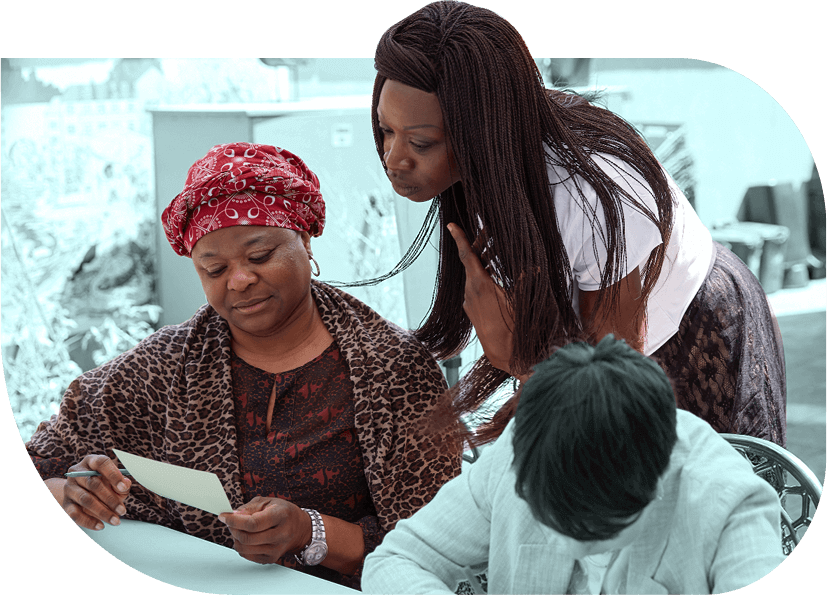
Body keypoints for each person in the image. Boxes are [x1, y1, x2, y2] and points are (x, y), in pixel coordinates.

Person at [25, 142, 462, 589]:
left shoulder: (393, 368)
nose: (239, 280)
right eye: (214, 270)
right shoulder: (162, 368)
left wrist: (310, 532)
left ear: (305, 240)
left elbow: (443, 545)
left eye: (259, 257)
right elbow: (45, 459)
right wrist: (72, 492)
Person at [370, 0, 786, 446]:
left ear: (480, 131)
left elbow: (609, 381)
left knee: (686, 498)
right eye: (386, 131)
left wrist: (520, 361)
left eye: (421, 142)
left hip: (689, 334)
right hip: (603, 348)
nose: (394, 159)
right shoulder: (499, 151)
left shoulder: (591, 193)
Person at [362, 336, 786, 594]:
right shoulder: (526, 444)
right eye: (549, 522)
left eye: (592, 533)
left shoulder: (729, 503)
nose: (565, 546)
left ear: (661, 475)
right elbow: (398, 561)